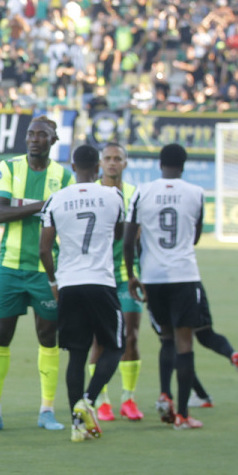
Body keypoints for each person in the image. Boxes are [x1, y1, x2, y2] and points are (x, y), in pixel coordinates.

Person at [125, 144, 238, 429]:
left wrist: (132, 274)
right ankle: (182, 414)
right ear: (183, 165)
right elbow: (194, 238)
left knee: (165, 339)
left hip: (153, 277)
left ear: (160, 164)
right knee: (184, 342)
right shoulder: (196, 193)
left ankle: (164, 395)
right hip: (184, 275)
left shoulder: (142, 191)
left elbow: (129, 240)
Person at [0, 117, 74, 432]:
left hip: (46, 270)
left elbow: (67, 221)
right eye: (31, 134)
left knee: (48, 338)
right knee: (0, 336)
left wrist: (32, 207)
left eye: (42, 135)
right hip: (11, 268)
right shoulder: (10, 167)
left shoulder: (64, 176)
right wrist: (45, 205)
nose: (34, 139)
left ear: (53, 140)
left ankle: (47, 410)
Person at [38, 144, 126, 442]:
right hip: (101, 281)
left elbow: (44, 249)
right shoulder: (113, 196)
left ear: (72, 167)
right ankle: (87, 401)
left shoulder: (56, 200)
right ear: (98, 167)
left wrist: (54, 282)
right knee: (114, 347)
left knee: (76, 355)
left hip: (70, 284)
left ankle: (77, 426)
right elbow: (118, 233)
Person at [87, 143, 146, 422]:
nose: (112, 163)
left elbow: (140, 235)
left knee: (131, 336)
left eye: (117, 159)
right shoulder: (92, 193)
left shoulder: (134, 194)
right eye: (107, 159)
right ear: (100, 163)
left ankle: (128, 398)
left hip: (127, 276)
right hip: (100, 276)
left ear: (125, 162)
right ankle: (102, 399)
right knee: (101, 339)